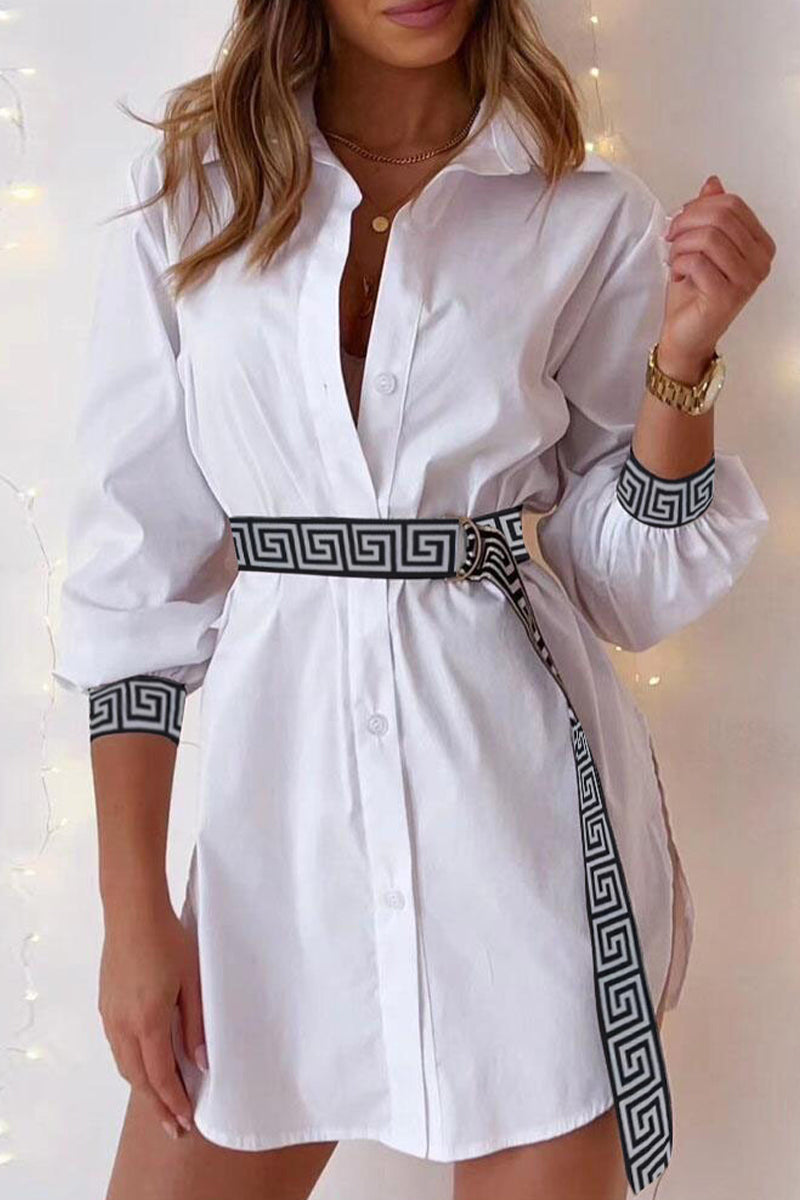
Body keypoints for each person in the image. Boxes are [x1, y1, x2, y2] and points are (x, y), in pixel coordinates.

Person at [53, 1, 776, 1198]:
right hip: (276, 846)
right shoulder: (192, 194)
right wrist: (133, 917)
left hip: (518, 834)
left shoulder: (583, 212)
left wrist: (682, 362)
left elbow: (621, 584)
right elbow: (136, 579)